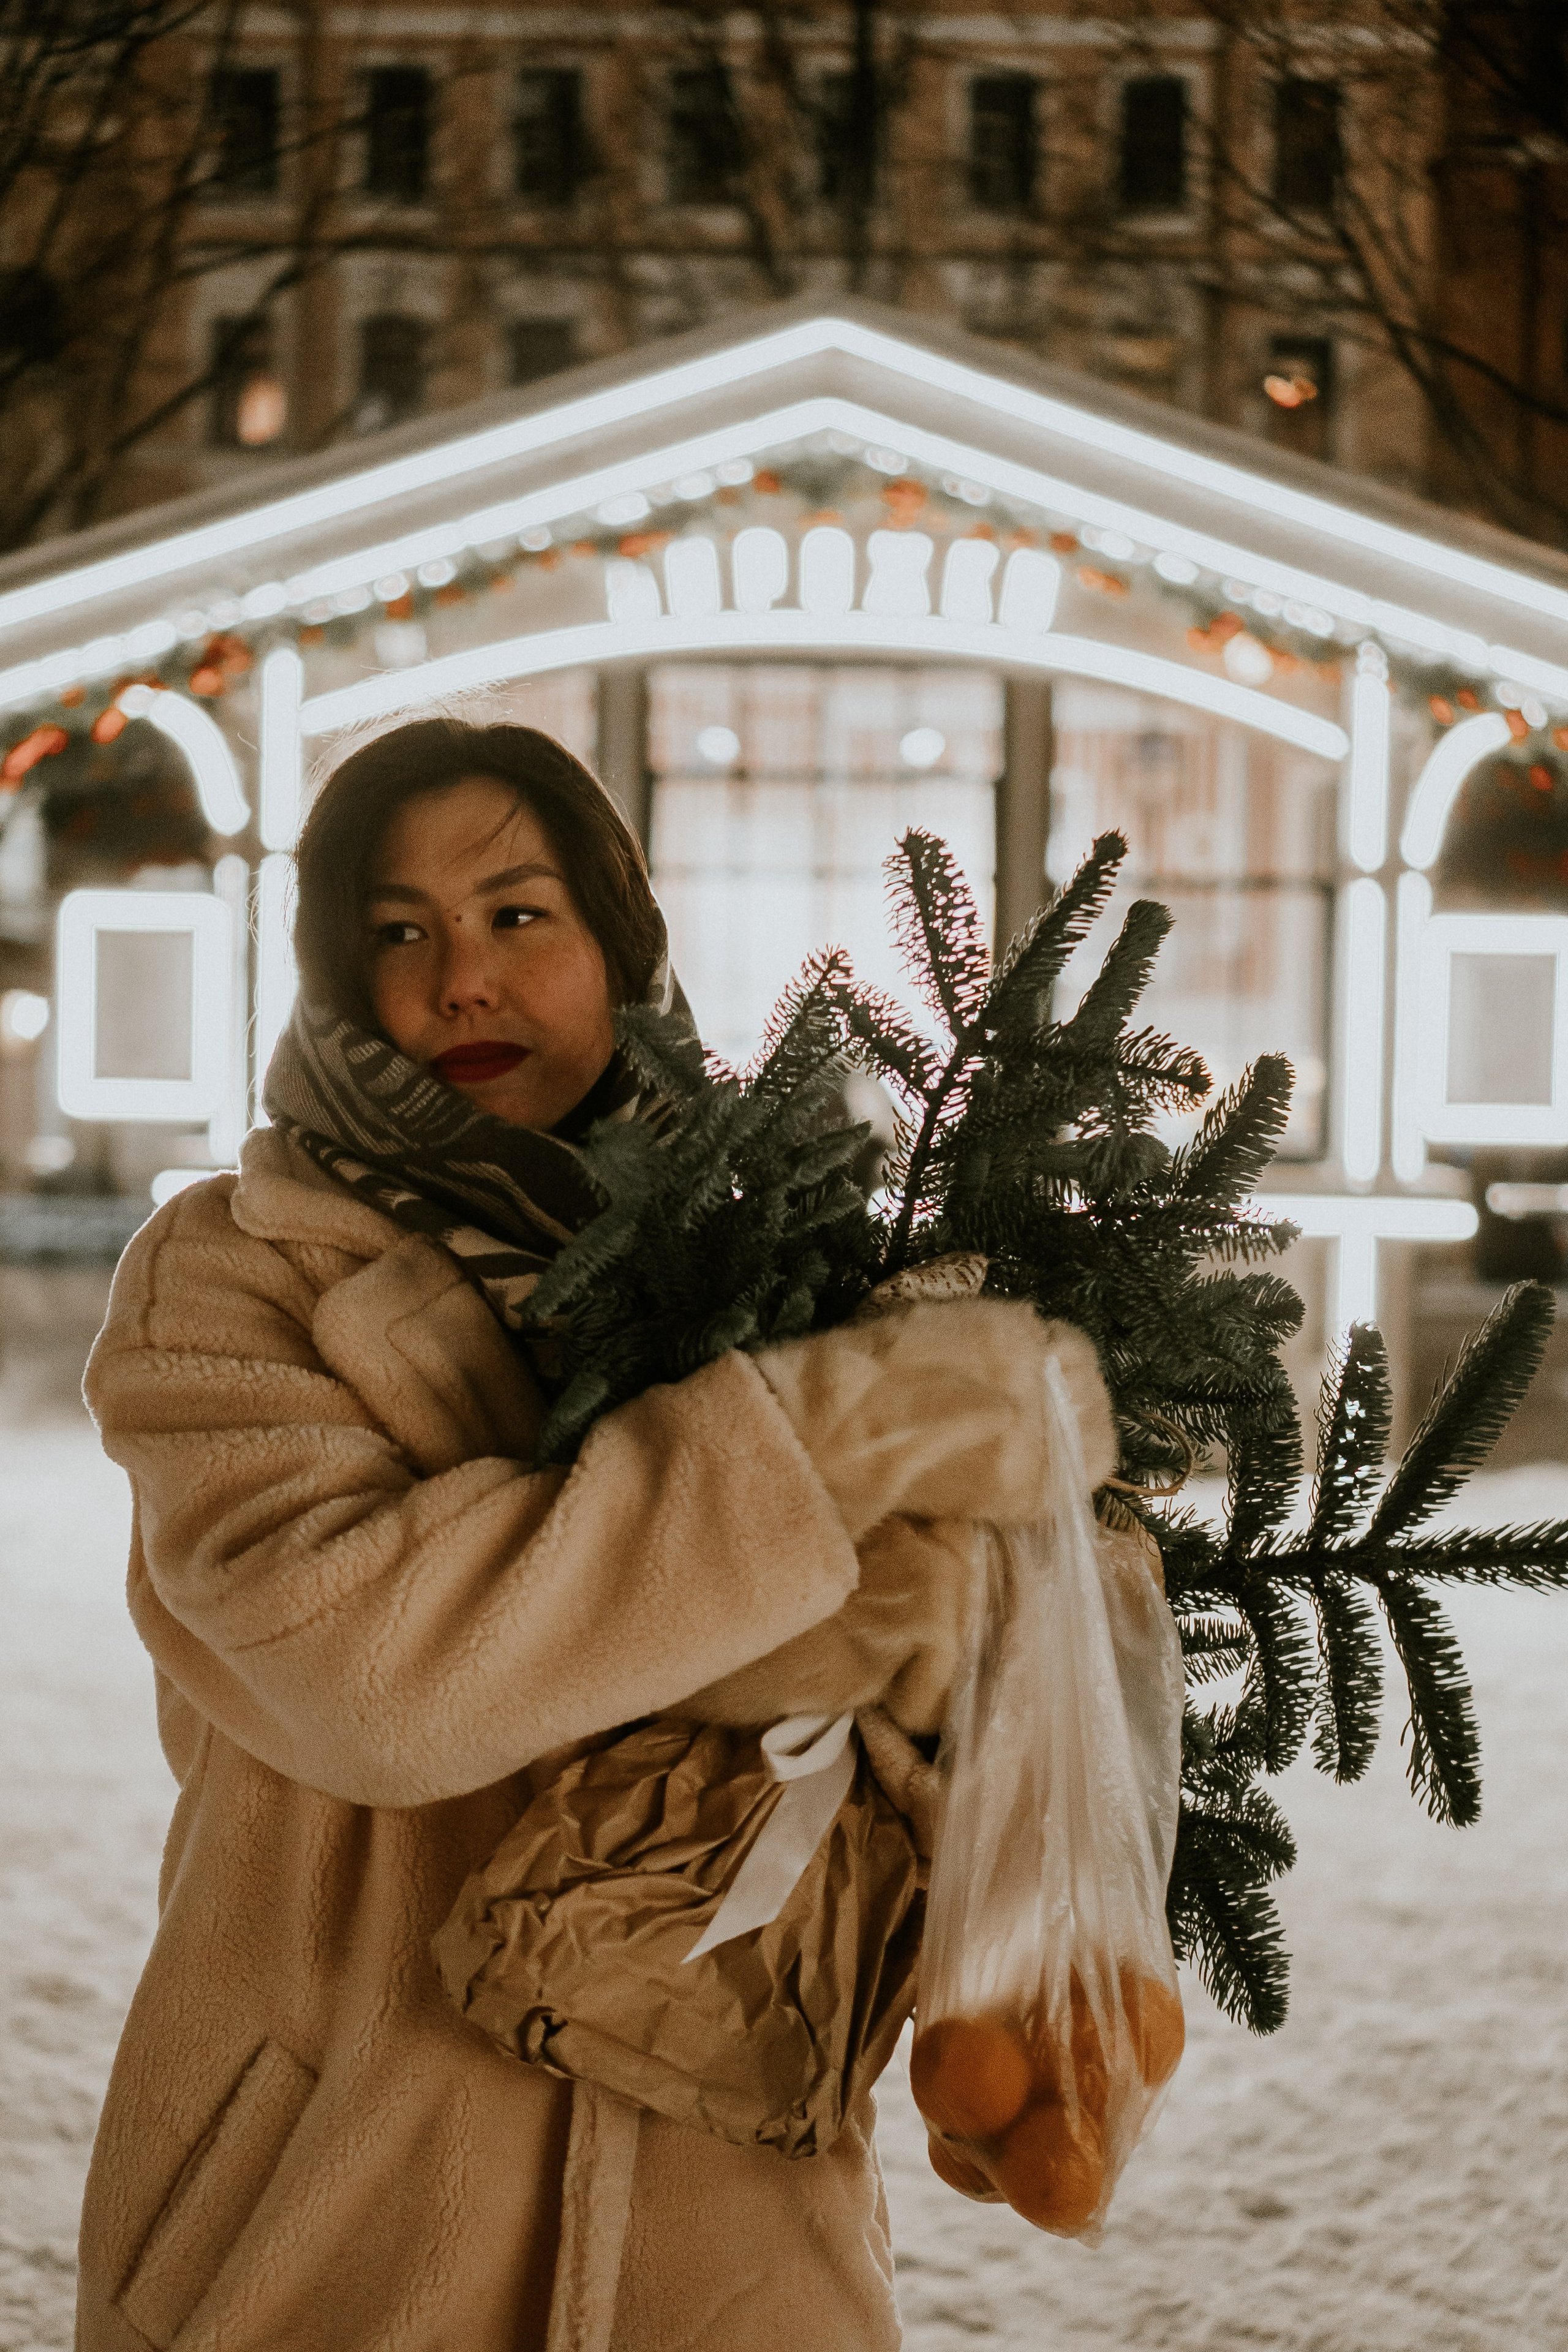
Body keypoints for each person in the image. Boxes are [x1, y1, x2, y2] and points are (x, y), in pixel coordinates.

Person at [78, 716, 1118, 2352]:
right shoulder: (233, 1279)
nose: (459, 984)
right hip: (332, 2206)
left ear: (620, 946)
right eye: (398, 932)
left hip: (732, 2223)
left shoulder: (780, 1256)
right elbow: (377, 1679)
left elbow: (909, 1724)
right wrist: (825, 1443)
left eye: (517, 915)